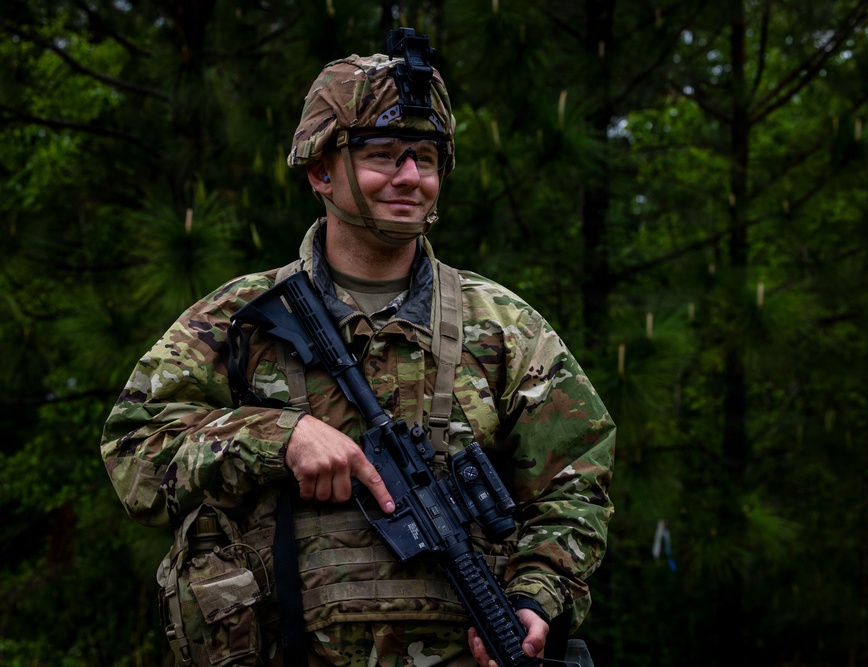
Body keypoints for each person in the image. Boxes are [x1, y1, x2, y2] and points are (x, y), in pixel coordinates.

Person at [101, 30, 614, 667]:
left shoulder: (504, 327)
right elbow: (133, 452)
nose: (409, 178)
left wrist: (536, 599)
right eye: (383, 155)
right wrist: (278, 438)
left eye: (424, 159)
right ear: (321, 170)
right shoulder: (238, 319)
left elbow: (576, 482)